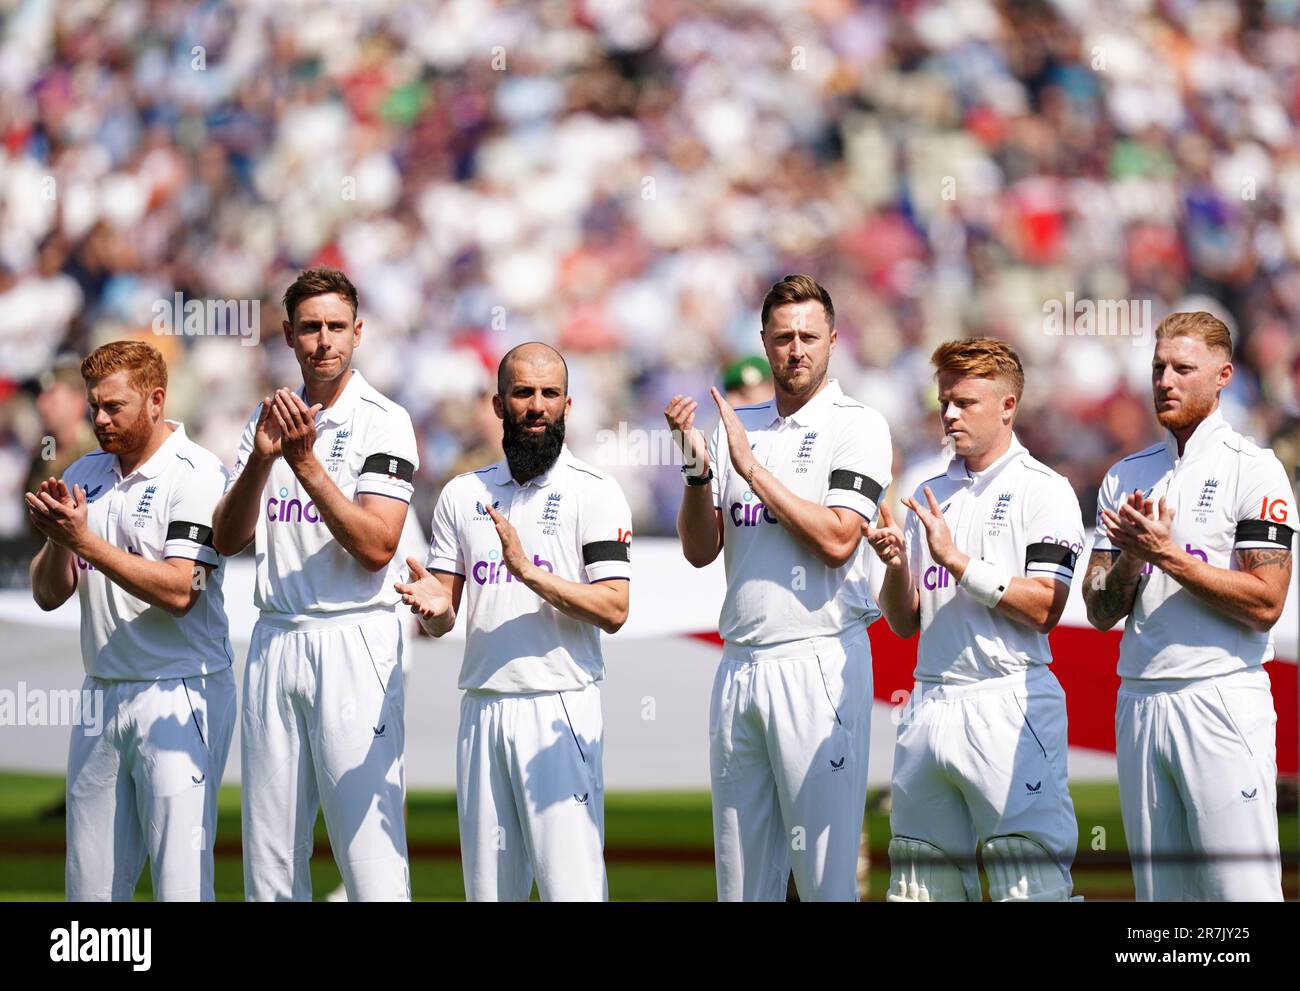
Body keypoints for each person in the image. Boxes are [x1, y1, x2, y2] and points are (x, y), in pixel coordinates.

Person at [665, 274, 891, 901]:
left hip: (818, 660)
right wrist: (695, 473)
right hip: (741, 661)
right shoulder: (739, 426)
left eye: (809, 337)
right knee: (741, 884)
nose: (796, 350)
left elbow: (840, 538)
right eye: (783, 337)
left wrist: (751, 469)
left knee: (824, 880)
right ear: (764, 342)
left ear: (834, 340)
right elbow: (700, 549)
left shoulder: (858, 426)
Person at [396, 342, 632, 901]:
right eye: (523, 393)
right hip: (482, 707)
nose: (536, 406)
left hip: (560, 707)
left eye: (550, 394)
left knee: (570, 887)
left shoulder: (595, 492)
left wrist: (528, 573)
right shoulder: (462, 494)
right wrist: (432, 610)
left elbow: (615, 608)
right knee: (489, 891)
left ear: (568, 404)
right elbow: (443, 616)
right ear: (500, 405)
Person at [212, 267, 418, 901]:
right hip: (275, 636)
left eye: (335, 327)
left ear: (358, 333)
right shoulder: (265, 417)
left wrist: (303, 464)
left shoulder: (385, 420)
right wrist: (260, 460)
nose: (323, 340)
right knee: (270, 854)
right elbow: (227, 539)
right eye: (310, 328)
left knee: (367, 848)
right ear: (288, 335)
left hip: (353, 635)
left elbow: (377, 546)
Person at [1082, 311, 1292, 901]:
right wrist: (1129, 559)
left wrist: (1166, 555)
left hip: (1220, 697)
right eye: (1157, 368)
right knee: (1162, 902)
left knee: (1241, 894)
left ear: (1223, 375)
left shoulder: (1254, 470)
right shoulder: (1126, 476)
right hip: (1140, 700)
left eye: (1182, 368)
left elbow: (1266, 601)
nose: (1165, 381)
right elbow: (1099, 612)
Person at [866, 338, 1083, 901]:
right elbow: (904, 622)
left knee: (1027, 882)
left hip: (1009, 701)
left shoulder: (1046, 491)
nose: (950, 415)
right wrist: (893, 566)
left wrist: (958, 562)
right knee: (919, 885)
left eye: (965, 402)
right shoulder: (930, 492)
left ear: (1008, 406)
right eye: (944, 402)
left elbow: (1046, 607)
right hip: (930, 699)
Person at [27, 340, 234, 901]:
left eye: (113, 407)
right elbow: (50, 595)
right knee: (89, 889)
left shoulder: (197, 473)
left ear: (155, 400)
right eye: (94, 405)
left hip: (181, 690)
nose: (99, 419)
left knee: (179, 882)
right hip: (103, 690)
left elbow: (180, 590)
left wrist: (86, 542)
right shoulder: (85, 471)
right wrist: (55, 541)